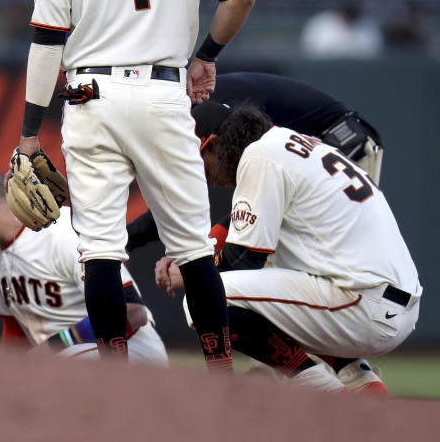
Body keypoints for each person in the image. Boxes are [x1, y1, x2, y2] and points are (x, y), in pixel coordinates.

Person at [16, 0, 254, 367]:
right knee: (194, 249)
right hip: (162, 93)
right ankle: (220, 371)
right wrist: (206, 55)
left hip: (91, 97)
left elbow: (47, 39)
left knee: (99, 250)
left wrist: (30, 133)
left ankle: (114, 371)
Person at [156, 102, 421, 394]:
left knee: (203, 297)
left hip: (364, 304)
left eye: (198, 160)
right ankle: (362, 382)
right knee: (275, 286)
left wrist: (191, 270)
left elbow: (243, 258)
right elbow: (242, 238)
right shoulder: (285, 145)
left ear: (213, 144)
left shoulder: (260, 157)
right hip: (384, 301)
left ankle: (328, 393)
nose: (200, 174)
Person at [126, 71, 384, 254]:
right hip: (320, 152)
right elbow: (183, 195)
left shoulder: (210, 106)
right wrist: (128, 239)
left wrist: (204, 249)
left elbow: (250, 207)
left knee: (317, 259)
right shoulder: (194, 109)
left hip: (345, 143)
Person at [0, 161, 168, 364]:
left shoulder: (62, 233)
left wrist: (54, 347)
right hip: (71, 363)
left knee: (52, 362)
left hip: (134, 355)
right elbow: (16, 331)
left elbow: (133, 312)